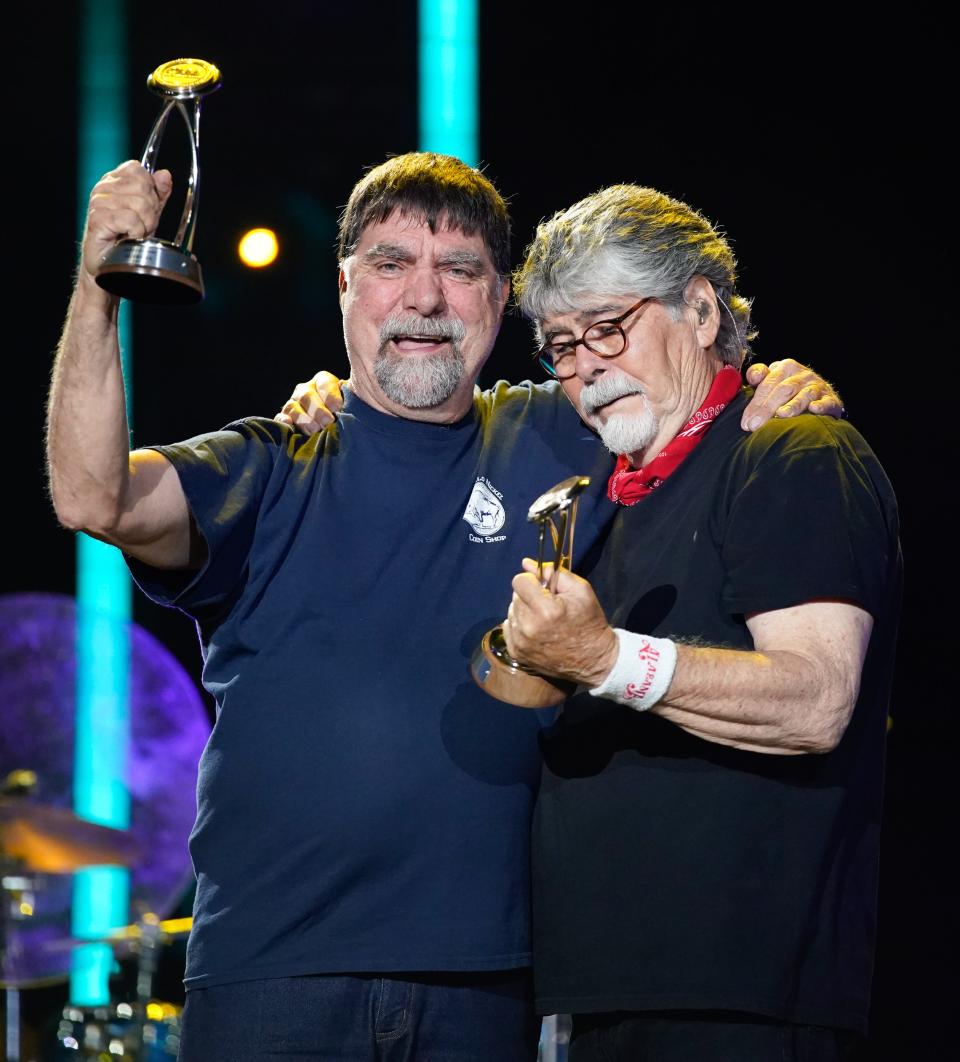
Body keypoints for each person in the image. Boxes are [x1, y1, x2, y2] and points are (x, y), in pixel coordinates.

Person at [47, 152, 839, 1062]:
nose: (425, 299)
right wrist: (99, 279)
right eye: (390, 265)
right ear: (344, 286)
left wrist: (776, 380)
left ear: (501, 301)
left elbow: (679, 388)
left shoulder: (563, 429)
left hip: (494, 988)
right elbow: (89, 496)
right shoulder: (271, 463)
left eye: (459, 271)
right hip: (276, 976)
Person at [492, 185, 901, 1060]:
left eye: (607, 326)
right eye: (560, 345)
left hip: (742, 1000)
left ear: (703, 309)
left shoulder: (793, 450)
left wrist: (605, 660)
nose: (586, 367)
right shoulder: (604, 498)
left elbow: (816, 698)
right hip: (596, 997)